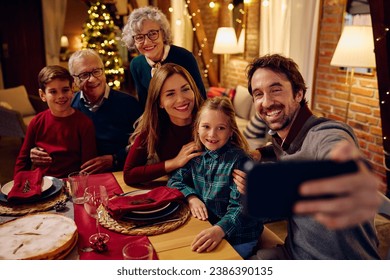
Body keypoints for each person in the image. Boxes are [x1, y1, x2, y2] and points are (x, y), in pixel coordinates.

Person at [232, 54, 382, 259]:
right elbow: (279, 151)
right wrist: (259, 154)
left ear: (298, 94)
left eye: (276, 90)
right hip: (294, 253)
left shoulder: (329, 133)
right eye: (258, 94)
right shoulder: (281, 142)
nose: (266, 102)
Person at [167, 96, 263, 259]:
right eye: (206, 126)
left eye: (221, 128)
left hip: (239, 236)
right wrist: (191, 197)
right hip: (207, 226)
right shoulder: (196, 155)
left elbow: (241, 208)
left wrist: (219, 230)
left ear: (231, 131)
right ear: (197, 127)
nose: (212, 134)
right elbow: (174, 181)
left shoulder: (240, 161)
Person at [30, 49, 142, 174]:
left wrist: (115, 159)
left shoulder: (129, 104)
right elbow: (55, 138)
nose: (92, 79)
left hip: (120, 172)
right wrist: (39, 150)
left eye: (96, 71)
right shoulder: (68, 106)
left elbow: (144, 143)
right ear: (74, 81)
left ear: (104, 71)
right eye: (84, 75)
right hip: (80, 175)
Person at [123, 63, 204, 185]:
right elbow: (129, 174)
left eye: (185, 89)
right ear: (159, 102)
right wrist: (175, 162)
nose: (181, 99)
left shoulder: (209, 119)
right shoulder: (154, 126)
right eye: (170, 94)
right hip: (177, 191)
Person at [14, 65, 97, 178]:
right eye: (53, 92)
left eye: (65, 90)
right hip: (42, 183)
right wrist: (18, 185)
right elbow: (22, 161)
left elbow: (87, 166)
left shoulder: (84, 123)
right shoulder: (36, 122)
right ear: (42, 95)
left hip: (72, 182)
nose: (61, 96)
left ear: (72, 90)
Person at [121, 6, 207, 109]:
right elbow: (145, 105)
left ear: (163, 33)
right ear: (133, 40)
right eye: (139, 37)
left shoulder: (185, 57)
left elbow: (201, 98)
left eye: (152, 34)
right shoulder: (136, 65)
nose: (147, 42)